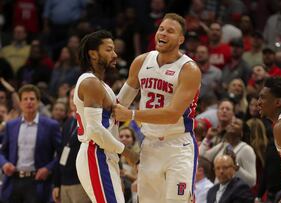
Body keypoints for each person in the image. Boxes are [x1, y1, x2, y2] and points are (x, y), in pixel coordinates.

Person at [113, 13, 201, 203]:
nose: (163, 33)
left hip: (178, 145)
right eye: (161, 29)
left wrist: (132, 114)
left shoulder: (189, 70)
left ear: (181, 39)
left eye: (170, 31)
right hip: (150, 144)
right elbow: (121, 103)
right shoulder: (141, 62)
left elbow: (172, 115)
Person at [74, 30, 138, 203]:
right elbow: (94, 130)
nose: (115, 54)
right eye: (109, 50)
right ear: (93, 54)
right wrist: (127, 152)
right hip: (96, 152)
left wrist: (135, 80)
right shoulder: (91, 83)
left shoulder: (100, 84)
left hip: (103, 153)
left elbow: (117, 108)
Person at [0, 84, 61, 203]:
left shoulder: (50, 125)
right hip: (13, 180)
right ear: (20, 103)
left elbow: (61, 154)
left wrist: (48, 169)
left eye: (32, 99)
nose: (29, 102)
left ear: (38, 102)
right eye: (25, 99)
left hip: (37, 181)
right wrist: (4, 164)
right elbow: (2, 151)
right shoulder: (11, 125)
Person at [52, 87, 91, 203]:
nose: (73, 100)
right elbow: (60, 155)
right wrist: (56, 184)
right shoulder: (68, 122)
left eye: (77, 97)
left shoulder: (90, 122)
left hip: (81, 183)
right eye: (71, 97)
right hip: (64, 184)